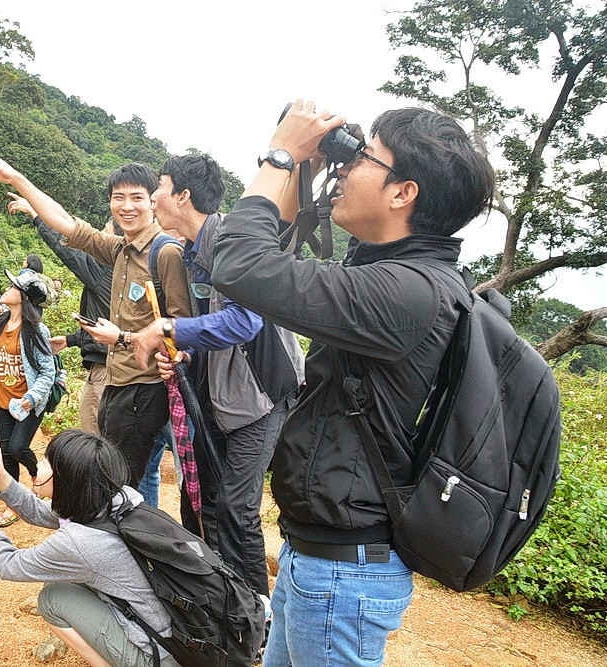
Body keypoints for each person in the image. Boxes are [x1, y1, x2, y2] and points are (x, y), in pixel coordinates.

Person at [210, 101, 495, 666]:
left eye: (362, 159)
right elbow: (269, 263)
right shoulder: (392, 277)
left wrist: (281, 153)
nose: (343, 169)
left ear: (402, 193)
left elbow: (239, 266)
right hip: (320, 555)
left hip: (345, 571)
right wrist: (303, 172)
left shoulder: (409, 292)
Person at [130, 153, 305, 598]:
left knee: (236, 505)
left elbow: (245, 322)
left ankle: (257, 609)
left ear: (184, 196)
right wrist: (186, 353)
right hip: (228, 395)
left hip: (263, 396)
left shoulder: (229, 240)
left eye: (160, 189)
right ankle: (227, 597)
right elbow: (217, 327)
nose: (153, 198)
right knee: (208, 499)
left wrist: (169, 329)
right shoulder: (194, 251)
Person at [0, 144, 192, 488]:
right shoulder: (120, 249)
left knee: (122, 485)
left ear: (153, 202)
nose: (126, 206)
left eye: (136, 198)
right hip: (118, 384)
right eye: (118, 197)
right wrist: (17, 178)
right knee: (127, 481)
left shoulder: (165, 252)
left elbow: (184, 328)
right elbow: (65, 223)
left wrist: (123, 339)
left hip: (147, 388)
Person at [0, 429, 177, 666]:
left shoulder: (78, 543)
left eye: (46, 460)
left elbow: (8, 565)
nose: (39, 463)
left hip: (156, 656)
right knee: (63, 582)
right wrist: (2, 478)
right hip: (174, 635)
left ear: (65, 478)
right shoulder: (117, 499)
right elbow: (40, 512)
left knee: (52, 598)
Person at [6, 193, 113, 435]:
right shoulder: (127, 270)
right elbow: (106, 324)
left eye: (104, 234)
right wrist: (70, 340)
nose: (99, 240)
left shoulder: (104, 269)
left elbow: (66, 246)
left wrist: (36, 214)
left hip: (107, 372)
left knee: (99, 441)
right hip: (108, 364)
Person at [0, 268, 56, 527]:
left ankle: (40, 481)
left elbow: (46, 371)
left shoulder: (37, 330)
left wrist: (32, 397)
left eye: (13, 286)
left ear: (24, 297)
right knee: (7, 454)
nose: (7, 288)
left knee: (18, 447)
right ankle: (15, 504)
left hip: (27, 403)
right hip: (2, 400)